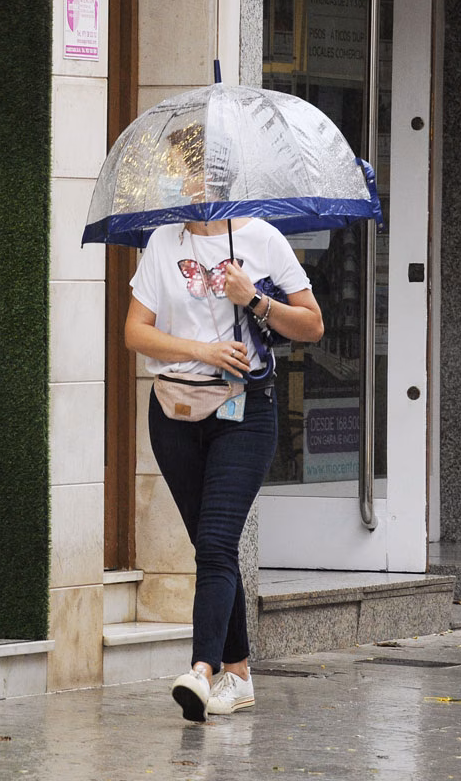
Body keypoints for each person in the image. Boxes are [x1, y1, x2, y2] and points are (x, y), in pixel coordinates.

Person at [125, 125, 324, 722]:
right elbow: (136, 333)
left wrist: (254, 299)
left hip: (246, 412)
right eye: (174, 170)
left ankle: (202, 672)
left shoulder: (261, 238)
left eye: (184, 169)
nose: (177, 181)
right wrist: (202, 349)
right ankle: (238, 673)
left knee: (214, 544)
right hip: (175, 413)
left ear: (213, 177)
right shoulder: (162, 243)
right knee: (213, 546)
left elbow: (311, 325)